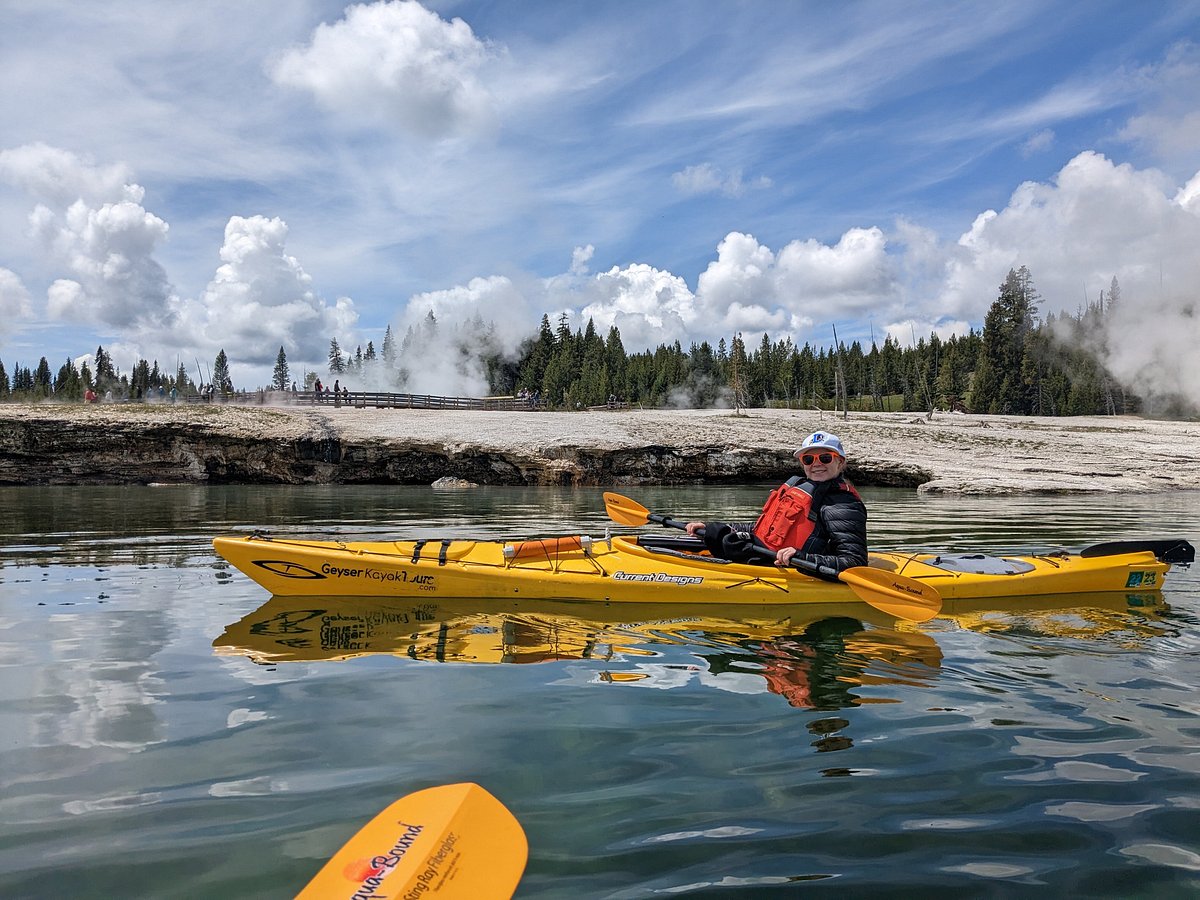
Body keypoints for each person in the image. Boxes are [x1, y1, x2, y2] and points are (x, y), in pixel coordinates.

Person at [684, 431, 867, 574]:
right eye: (808, 459)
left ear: (840, 462)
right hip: (769, 559)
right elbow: (761, 529)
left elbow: (854, 562)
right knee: (717, 532)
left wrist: (803, 558)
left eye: (825, 458)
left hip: (796, 570)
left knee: (724, 540)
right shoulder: (801, 488)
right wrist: (711, 527)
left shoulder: (843, 505)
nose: (816, 464)